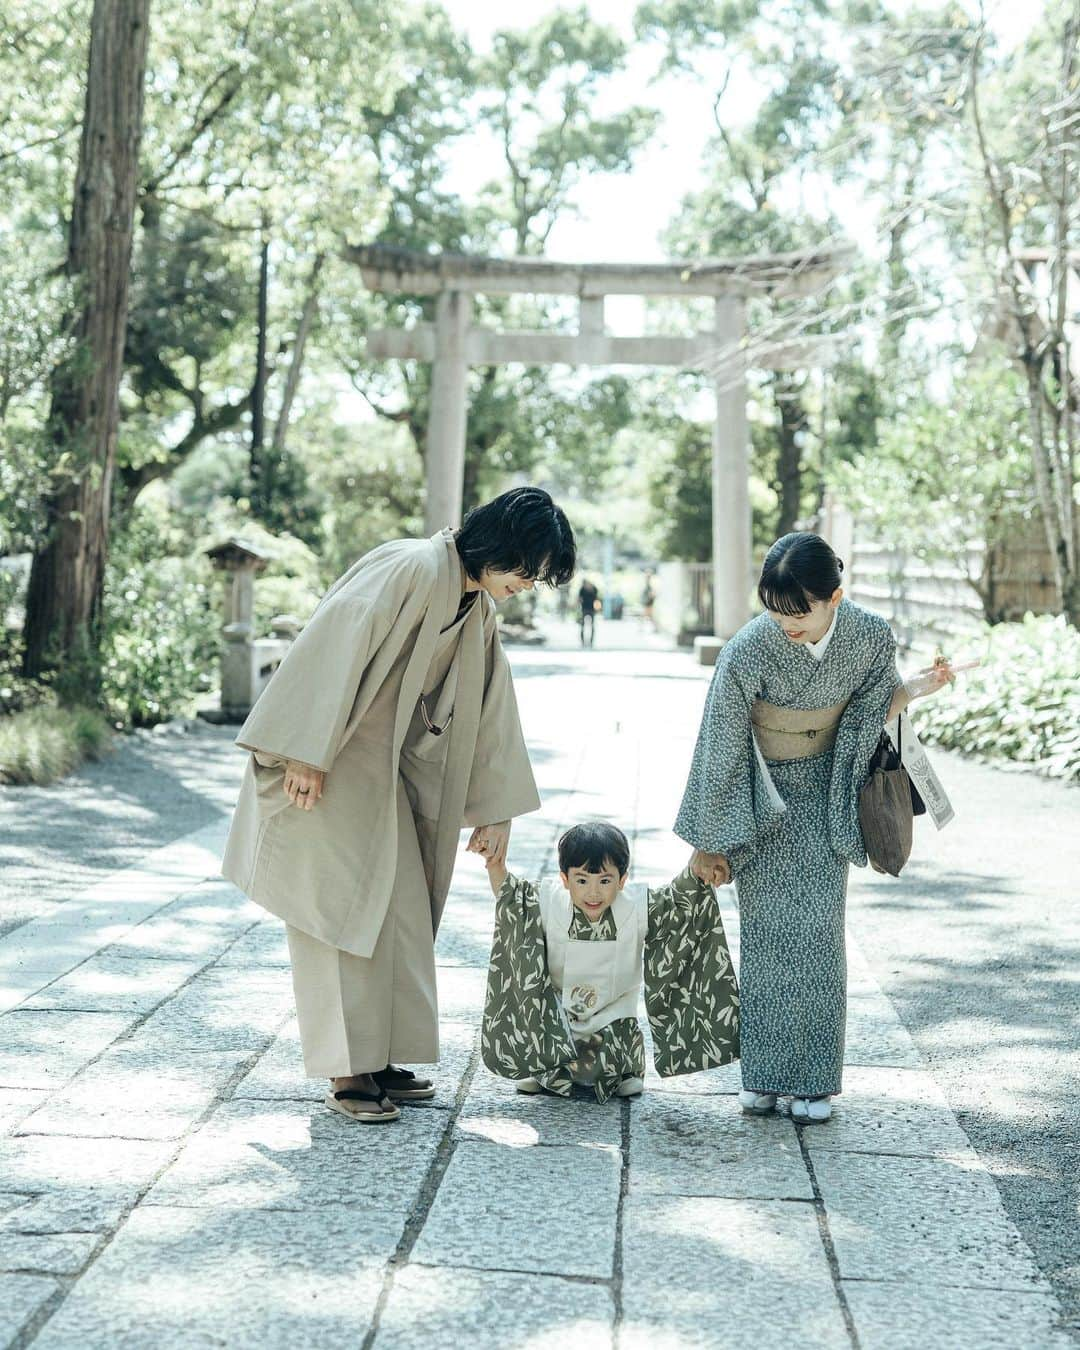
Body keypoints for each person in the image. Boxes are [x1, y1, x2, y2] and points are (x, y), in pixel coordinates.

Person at [222, 487, 576, 1123]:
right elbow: (332, 639)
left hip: (383, 773)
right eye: (529, 568)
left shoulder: (475, 607)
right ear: (500, 547)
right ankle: (347, 1069)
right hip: (330, 761)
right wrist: (305, 748)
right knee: (339, 914)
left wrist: (495, 809)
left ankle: (382, 1053)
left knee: (400, 910)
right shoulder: (412, 566)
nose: (531, 583)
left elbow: (492, 707)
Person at [675, 532, 957, 1124]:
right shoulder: (751, 647)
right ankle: (763, 1074)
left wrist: (913, 690)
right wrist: (709, 840)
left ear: (836, 596)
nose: (785, 625)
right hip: (763, 797)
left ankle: (814, 1080)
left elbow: (865, 716)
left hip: (827, 790)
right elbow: (721, 738)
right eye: (775, 612)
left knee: (820, 938)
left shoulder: (870, 635)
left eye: (799, 612)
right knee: (768, 935)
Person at [475, 821, 740, 1102]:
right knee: (548, 1029)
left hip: (612, 1013)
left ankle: (625, 1071)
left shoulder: (636, 906)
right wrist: (495, 864)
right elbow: (512, 898)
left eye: (604, 880)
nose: (593, 892)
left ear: (622, 879)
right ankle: (544, 1070)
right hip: (561, 1009)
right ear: (564, 879)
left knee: (610, 1050)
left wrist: (696, 871)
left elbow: (677, 903)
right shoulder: (550, 900)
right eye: (582, 880)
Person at [577, 577, 599, 647]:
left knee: (592, 626)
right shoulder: (582, 589)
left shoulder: (594, 589)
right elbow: (579, 599)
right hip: (584, 609)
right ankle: (583, 642)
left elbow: (596, 599)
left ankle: (591, 642)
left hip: (591, 609)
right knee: (582, 626)